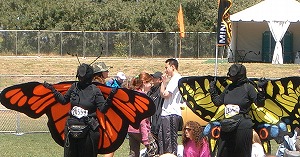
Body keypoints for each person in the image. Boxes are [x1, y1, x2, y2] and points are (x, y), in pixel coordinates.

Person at [43, 63, 114, 157]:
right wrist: (53, 90)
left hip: (89, 131)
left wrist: (110, 97)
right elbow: (64, 100)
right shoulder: (74, 87)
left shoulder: (94, 90)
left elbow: (103, 109)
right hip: (71, 130)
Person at [208, 63, 267, 157]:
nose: (230, 76)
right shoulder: (229, 88)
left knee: (242, 154)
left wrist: (260, 89)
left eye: (233, 75)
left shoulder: (248, 87)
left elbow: (259, 103)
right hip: (227, 126)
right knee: (222, 153)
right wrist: (212, 90)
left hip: (242, 126)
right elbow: (218, 102)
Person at [128, 72, 158, 157]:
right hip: (141, 129)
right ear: (144, 83)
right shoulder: (143, 98)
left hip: (131, 129)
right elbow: (142, 119)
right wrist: (145, 137)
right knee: (154, 150)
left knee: (133, 153)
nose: (151, 85)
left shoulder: (132, 94)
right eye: (150, 83)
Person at [159, 58, 183, 155]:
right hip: (166, 113)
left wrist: (164, 83)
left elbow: (166, 94)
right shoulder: (172, 80)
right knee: (163, 140)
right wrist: (163, 83)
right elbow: (162, 94)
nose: (165, 70)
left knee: (170, 142)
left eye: (166, 67)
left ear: (173, 67)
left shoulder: (176, 78)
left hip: (172, 113)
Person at [92, 62, 115, 157]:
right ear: (100, 73)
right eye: (106, 70)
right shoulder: (100, 85)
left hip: (94, 118)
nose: (108, 72)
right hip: (100, 118)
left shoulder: (90, 83)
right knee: (111, 144)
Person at [148, 71, 164, 153]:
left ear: (160, 80)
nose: (152, 79)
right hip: (150, 122)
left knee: (159, 145)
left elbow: (159, 108)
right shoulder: (151, 91)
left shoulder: (160, 92)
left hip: (157, 122)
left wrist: (157, 123)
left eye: (155, 78)